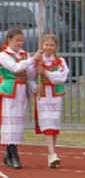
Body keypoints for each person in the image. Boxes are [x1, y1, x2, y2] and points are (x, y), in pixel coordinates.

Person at [0, 28, 39, 169]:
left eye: (21, 40)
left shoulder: (25, 55)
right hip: (10, 90)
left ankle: (8, 154)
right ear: (9, 40)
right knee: (10, 122)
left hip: (22, 92)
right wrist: (31, 60)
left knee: (18, 123)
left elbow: (29, 75)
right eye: (17, 40)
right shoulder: (3, 55)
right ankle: (14, 155)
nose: (19, 43)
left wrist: (35, 65)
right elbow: (15, 68)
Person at [34, 34, 70, 168]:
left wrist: (46, 73)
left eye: (51, 45)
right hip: (43, 96)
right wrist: (34, 86)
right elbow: (31, 76)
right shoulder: (38, 60)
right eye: (46, 44)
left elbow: (61, 78)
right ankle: (52, 153)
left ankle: (51, 155)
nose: (48, 47)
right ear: (42, 45)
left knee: (54, 126)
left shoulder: (60, 61)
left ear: (56, 47)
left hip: (55, 97)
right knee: (48, 124)